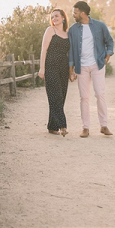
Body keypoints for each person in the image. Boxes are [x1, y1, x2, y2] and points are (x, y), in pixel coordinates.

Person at [68, 1, 115, 138]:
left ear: (82, 13)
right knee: (84, 97)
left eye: (75, 13)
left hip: (97, 64)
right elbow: (71, 50)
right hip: (81, 66)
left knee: (100, 94)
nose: (73, 15)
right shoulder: (73, 29)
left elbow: (110, 41)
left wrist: (108, 54)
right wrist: (71, 70)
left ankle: (104, 125)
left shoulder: (100, 26)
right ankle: (86, 128)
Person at [38, 9, 70, 137]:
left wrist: (72, 71)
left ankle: (52, 127)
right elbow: (44, 49)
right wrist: (42, 68)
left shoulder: (67, 33)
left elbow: (70, 53)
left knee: (61, 97)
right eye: (52, 17)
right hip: (50, 67)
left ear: (63, 17)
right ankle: (62, 125)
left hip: (63, 68)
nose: (54, 19)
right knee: (55, 96)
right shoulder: (50, 30)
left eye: (56, 16)